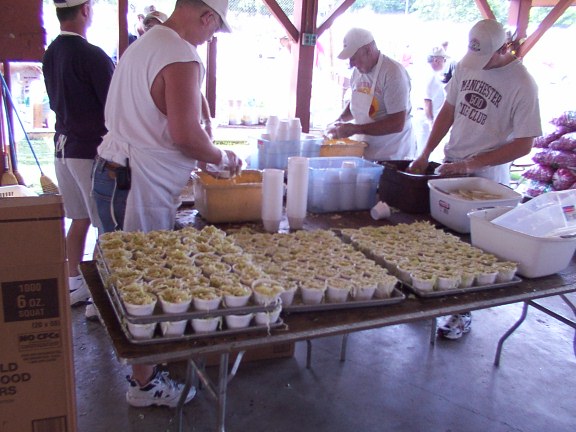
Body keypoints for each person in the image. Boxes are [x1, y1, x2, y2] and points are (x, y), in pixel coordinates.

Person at [92, 0, 241, 407]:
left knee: (125, 275)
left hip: (113, 173)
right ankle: (144, 385)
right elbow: (185, 135)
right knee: (141, 282)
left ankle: (144, 371)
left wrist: (201, 155)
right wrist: (222, 157)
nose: (209, 39)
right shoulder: (180, 55)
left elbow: (154, 122)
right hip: (137, 182)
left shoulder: (144, 44)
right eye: (213, 31)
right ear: (207, 17)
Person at [408, 19, 542, 339]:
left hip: (486, 177)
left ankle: (461, 313)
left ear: (504, 48)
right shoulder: (466, 66)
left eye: (486, 57)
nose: (479, 63)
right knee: (437, 237)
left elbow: (524, 143)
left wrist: (472, 165)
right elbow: (448, 111)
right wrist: (426, 152)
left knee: (472, 247)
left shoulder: (523, 83)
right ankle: (429, 294)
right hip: (453, 163)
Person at [43, 0, 115, 313]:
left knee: (79, 217)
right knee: (104, 224)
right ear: (85, 10)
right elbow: (114, 109)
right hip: (89, 151)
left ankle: (74, 281)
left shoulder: (51, 53)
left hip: (63, 148)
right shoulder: (92, 55)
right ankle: (98, 295)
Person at [325, 28, 416, 161]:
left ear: (368, 50)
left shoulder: (393, 73)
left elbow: (397, 123)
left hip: (393, 152)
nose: (351, 64)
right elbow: (357, 103)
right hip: (367, 148)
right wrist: (340, 120)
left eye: (353, 58)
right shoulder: (357, 72)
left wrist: (355, 129)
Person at [417, 46, 447, 153]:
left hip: (424, 118)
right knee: (423, 151)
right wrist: (431, 123)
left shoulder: (427, 73)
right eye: (444, 59)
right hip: (425, 119)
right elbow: (427, 101)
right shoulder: (431, 76)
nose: (444, 62)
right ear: (436, 60)